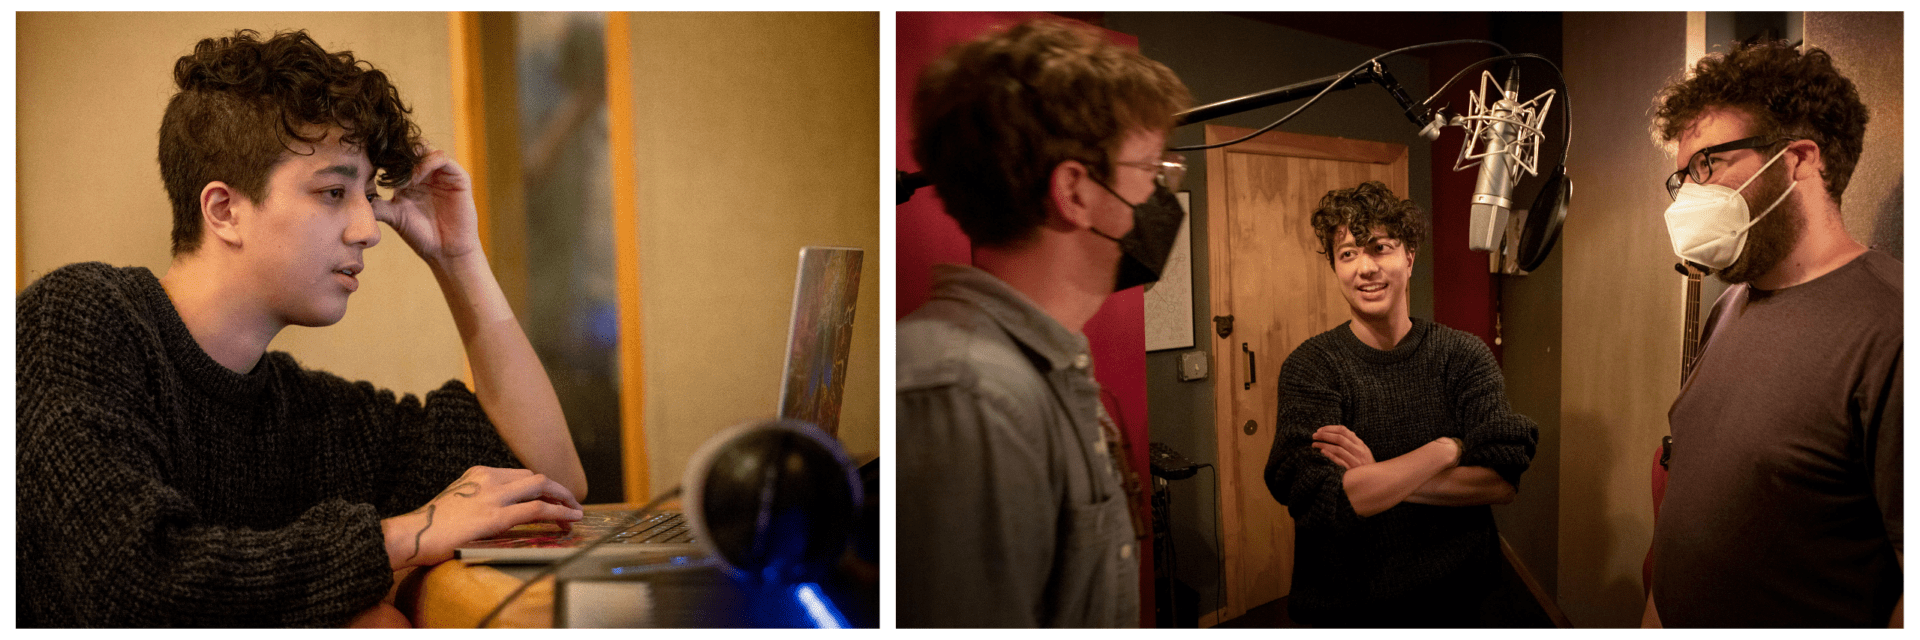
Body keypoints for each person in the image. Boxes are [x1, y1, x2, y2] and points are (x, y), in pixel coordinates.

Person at [16, 29, 588, 627]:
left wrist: (458, 259)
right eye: (334, 192)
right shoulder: (74, 322)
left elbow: (548, 477)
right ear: (224, 209)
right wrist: (407, 536)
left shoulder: (299, 412)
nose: (368, 227)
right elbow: (134, 582)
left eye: (368, 195)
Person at [895, 18, 1191, 628]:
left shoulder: (1045, 367)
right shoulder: (969, 397)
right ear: (1076, 192)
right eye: (1149, 171)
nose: (1163, 193)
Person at [1646, 40, 1901, 628]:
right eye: (1682, 176)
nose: (1689, 196)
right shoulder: (1732, 302)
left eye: (1708, 166)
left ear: (1800, 160)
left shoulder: (1892, 329)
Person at [1263, 181, 1538, 627]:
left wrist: (1375, 477)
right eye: (1348, 253)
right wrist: (1448, 449)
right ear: (1334, 267)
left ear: (1409, 256)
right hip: (1348, 608)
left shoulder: (1464, 356)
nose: (1365, 267)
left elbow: (1501, 482)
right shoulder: (1311, 367)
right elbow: (1318, 498)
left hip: (1462, 602)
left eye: (1380, 248)